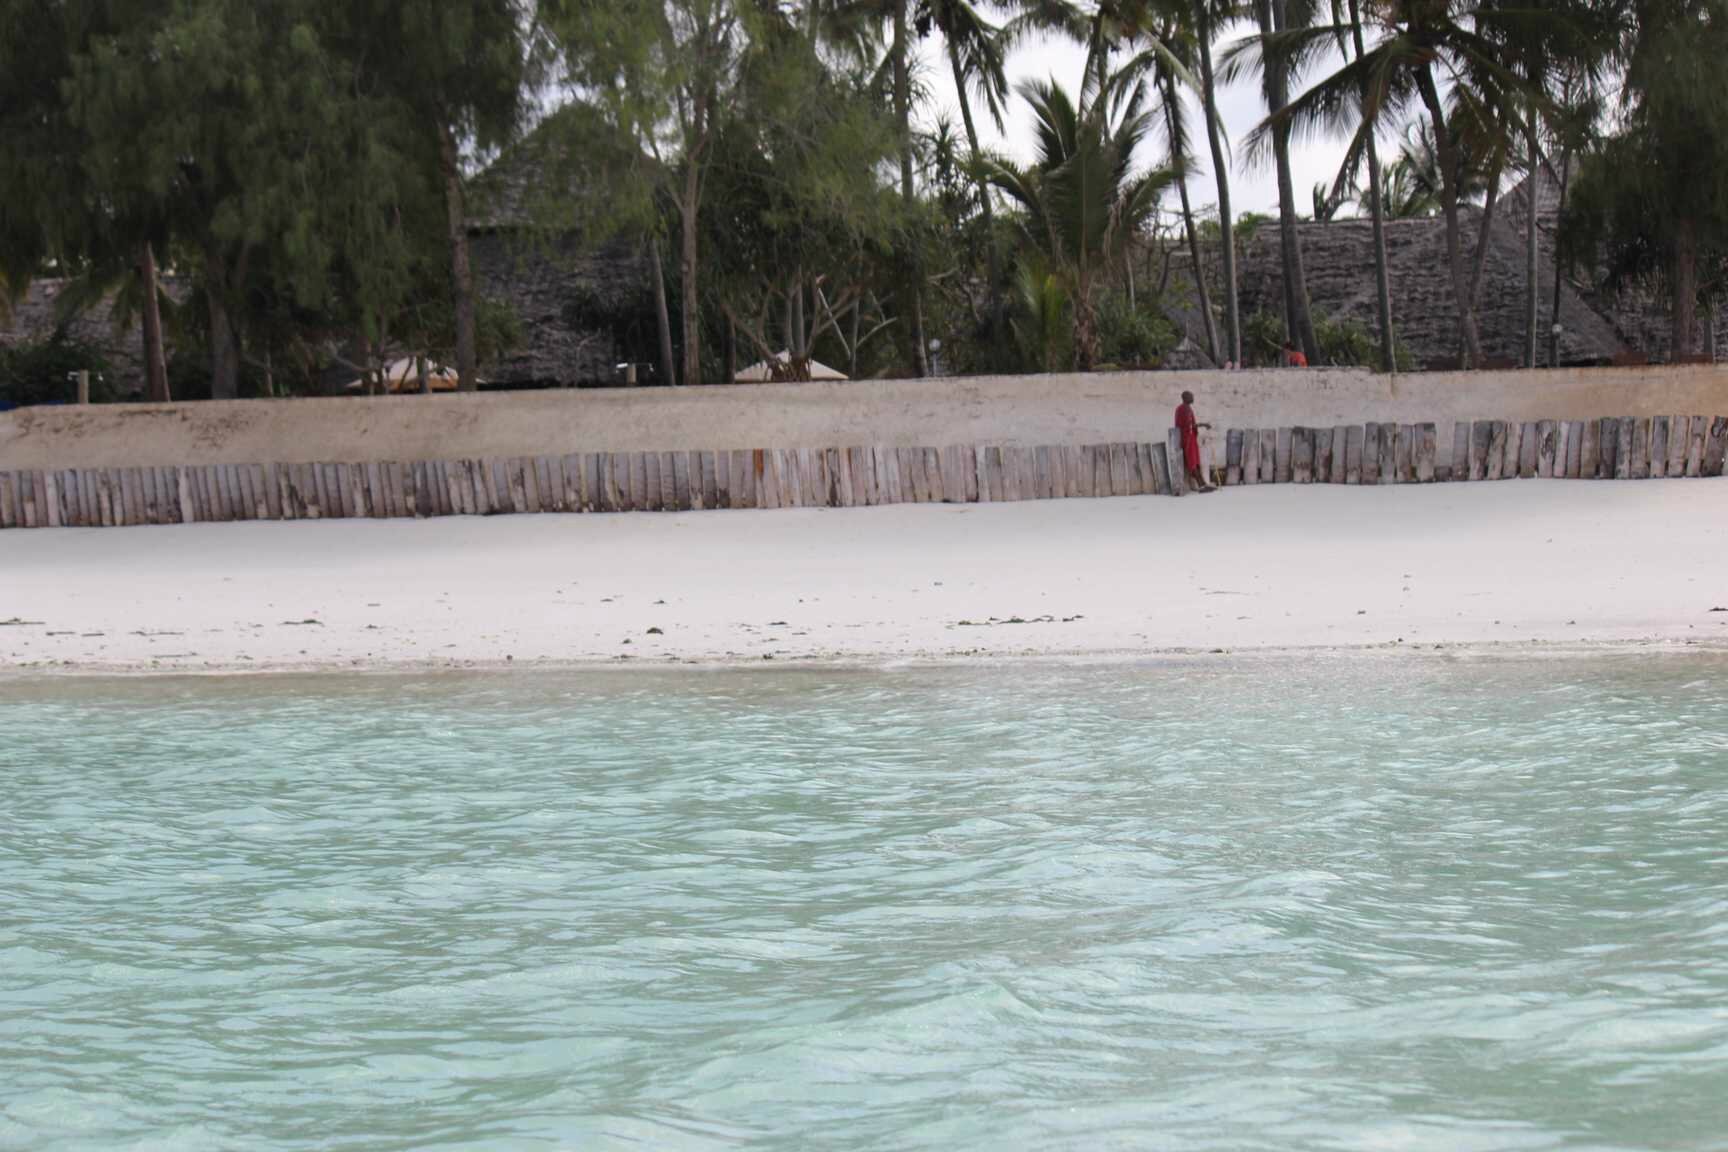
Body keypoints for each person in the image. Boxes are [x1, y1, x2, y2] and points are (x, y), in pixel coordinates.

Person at [1175, 390, 1215, 492]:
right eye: (1191, 396)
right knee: (1192, 462)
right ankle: (1201, 486)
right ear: (1185, 398)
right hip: (1187, 438)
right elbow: (1189, 426)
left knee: (1195, 462)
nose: (1193, 398)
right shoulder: (1184, 409)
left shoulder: (1186, 408)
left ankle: (1203, 484)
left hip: (1190, 437)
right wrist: (1203, 424)